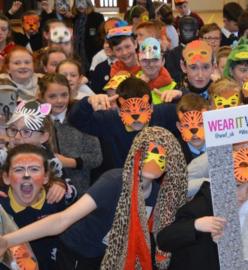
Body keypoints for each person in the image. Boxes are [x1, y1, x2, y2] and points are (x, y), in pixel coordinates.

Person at [0, 127, 188, 270]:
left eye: (162, 156)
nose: (153, 161)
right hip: (77, 254)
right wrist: (8, 240)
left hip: (109, 257)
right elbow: (63, 219)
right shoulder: (114, 181)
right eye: (148, 153)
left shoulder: (159, 194)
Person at [156, 146, 248, 270]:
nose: (243, 196)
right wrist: (196, 225)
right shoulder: (201, 206)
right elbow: (163, 240)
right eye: (237, 185)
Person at [67, 77, 178, 172]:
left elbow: (191, 108)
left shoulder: (163, 114)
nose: (136, 117)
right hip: (122, 183)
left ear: (152, 107)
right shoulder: (109, 120)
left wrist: (181, 94)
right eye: (128, 111)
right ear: (119, 111)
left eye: (142, 109)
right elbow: (75, 119)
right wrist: (88, 101)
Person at [0, 144, 67, 269]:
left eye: (34, 169)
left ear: (46, 177)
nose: (26, 175)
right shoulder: (1, 208)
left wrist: (62, 184)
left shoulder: (55, 200)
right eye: (18, 169)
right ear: (6, 177)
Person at [37, 73, 102, 195]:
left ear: (70, 94)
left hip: (80, 191)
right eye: (52, 96)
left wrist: (70, 162)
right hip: (43, 191)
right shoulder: (36, 121)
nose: (59, 100)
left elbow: (96, 157)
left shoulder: (82, 119)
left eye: (64, 95)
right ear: (41, 97)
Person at [136, 38, 178, 104]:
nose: (150, 64)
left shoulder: (174, 88)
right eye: (145, 60)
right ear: (138, 61)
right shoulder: (131, 82)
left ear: (163, 61)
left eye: (155, 59)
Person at [72, 0, 105, 72]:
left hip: (93, 53)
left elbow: (102, 35)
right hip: (77, 55)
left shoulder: (97, 16)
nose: (80, 6)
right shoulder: (75, 18)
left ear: (88, 3)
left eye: (82, 2)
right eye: (78, 3)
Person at [176, 93, 208, 164]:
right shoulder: (175, 151)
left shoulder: (218, 144)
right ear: (179, 127)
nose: (194, 133)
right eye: (187, 125)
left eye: (200, 124)